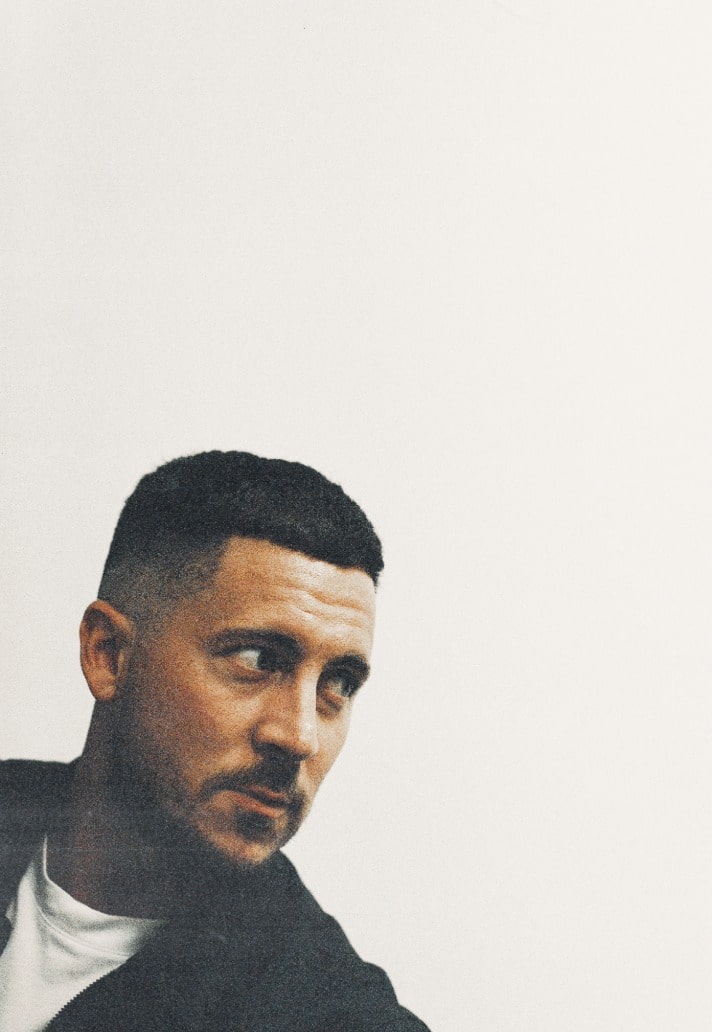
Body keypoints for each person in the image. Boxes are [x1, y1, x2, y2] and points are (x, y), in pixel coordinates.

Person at [0, 451, 430, 1032]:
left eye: (338, 684)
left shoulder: (335, 1016)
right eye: (258, 659)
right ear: (109, 655)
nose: (299, 736)